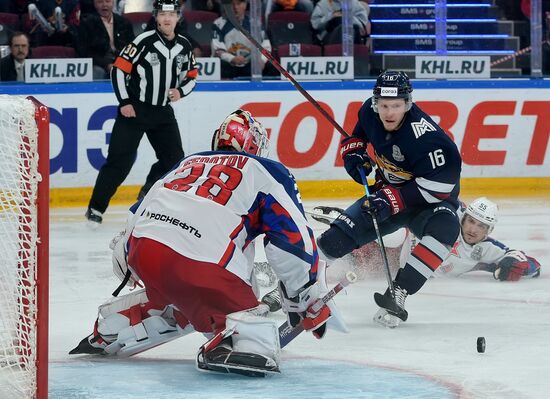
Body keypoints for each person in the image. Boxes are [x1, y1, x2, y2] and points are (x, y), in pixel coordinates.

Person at [70, 110, 343, 377]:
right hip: (203, 265)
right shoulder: (268, 171)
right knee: (254, 330)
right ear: (255, 145)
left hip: (143, 250)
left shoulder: (187, 163)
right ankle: (237, 340)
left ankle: (117, 324)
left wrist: (129, 261)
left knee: (190, 291)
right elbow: (293, 243)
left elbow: (136, 215)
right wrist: (304, 298)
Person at [316, 70, 463, 329]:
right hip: (387, 193)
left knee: (447, 229)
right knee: (333, 241)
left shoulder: (428, 139)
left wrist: (393, 199)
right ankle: (299, 282)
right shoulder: (369, 112)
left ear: (408, 104)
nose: (389, 113)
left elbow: (440, 187)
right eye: (383, 105)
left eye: (396, 106)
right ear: (376, 103)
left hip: (430, 203)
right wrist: (354, 150)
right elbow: (360, 132)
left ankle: (400, 291)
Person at [85, 0, 198, 227]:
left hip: (162, 112)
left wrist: (180, 91)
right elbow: (118, 70)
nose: (167, 19)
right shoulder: (143, 41)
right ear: (156, 17)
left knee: (174, 160)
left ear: (178, 17)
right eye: (162, 14)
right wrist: (125, 101)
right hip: (135, 110)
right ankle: (95, 209)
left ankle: (147, 191)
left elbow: (192, 75)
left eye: (172, 14)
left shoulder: (184, 46)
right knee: (119, 163)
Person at [401, 197, 541, 281]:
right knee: (395, 237)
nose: (473, 230)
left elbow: (532, 265)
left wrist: (516, 265)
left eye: (481, 226)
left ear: (488, 231)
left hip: (418, 285)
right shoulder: (446, 222)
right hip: (396, 258)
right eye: (471, 222)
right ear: (463, 218)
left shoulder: (486, 248)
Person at [211, 0, 275, 79]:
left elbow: (266, 46)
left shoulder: (255, 23)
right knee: (220, 65)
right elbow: (218, 50)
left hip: (250, 65)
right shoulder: (218, 24)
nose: (235, 7)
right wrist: (232, 58)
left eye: (238, 4)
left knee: (272, 66)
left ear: (245, 5)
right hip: (229, 66)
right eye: (232, 4)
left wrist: (262, 60)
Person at [76, 0, 135, 80]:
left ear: (113, 3)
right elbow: (84, 51)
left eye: (108, 1)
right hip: (99, 63)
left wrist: (122, 63)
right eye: (100, 2)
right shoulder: (87, 23)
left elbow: (132, 47)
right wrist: (107, 65)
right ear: (95, 4)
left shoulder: (124, 23)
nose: (104, 5)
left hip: (122, 60)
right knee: (97, 72)